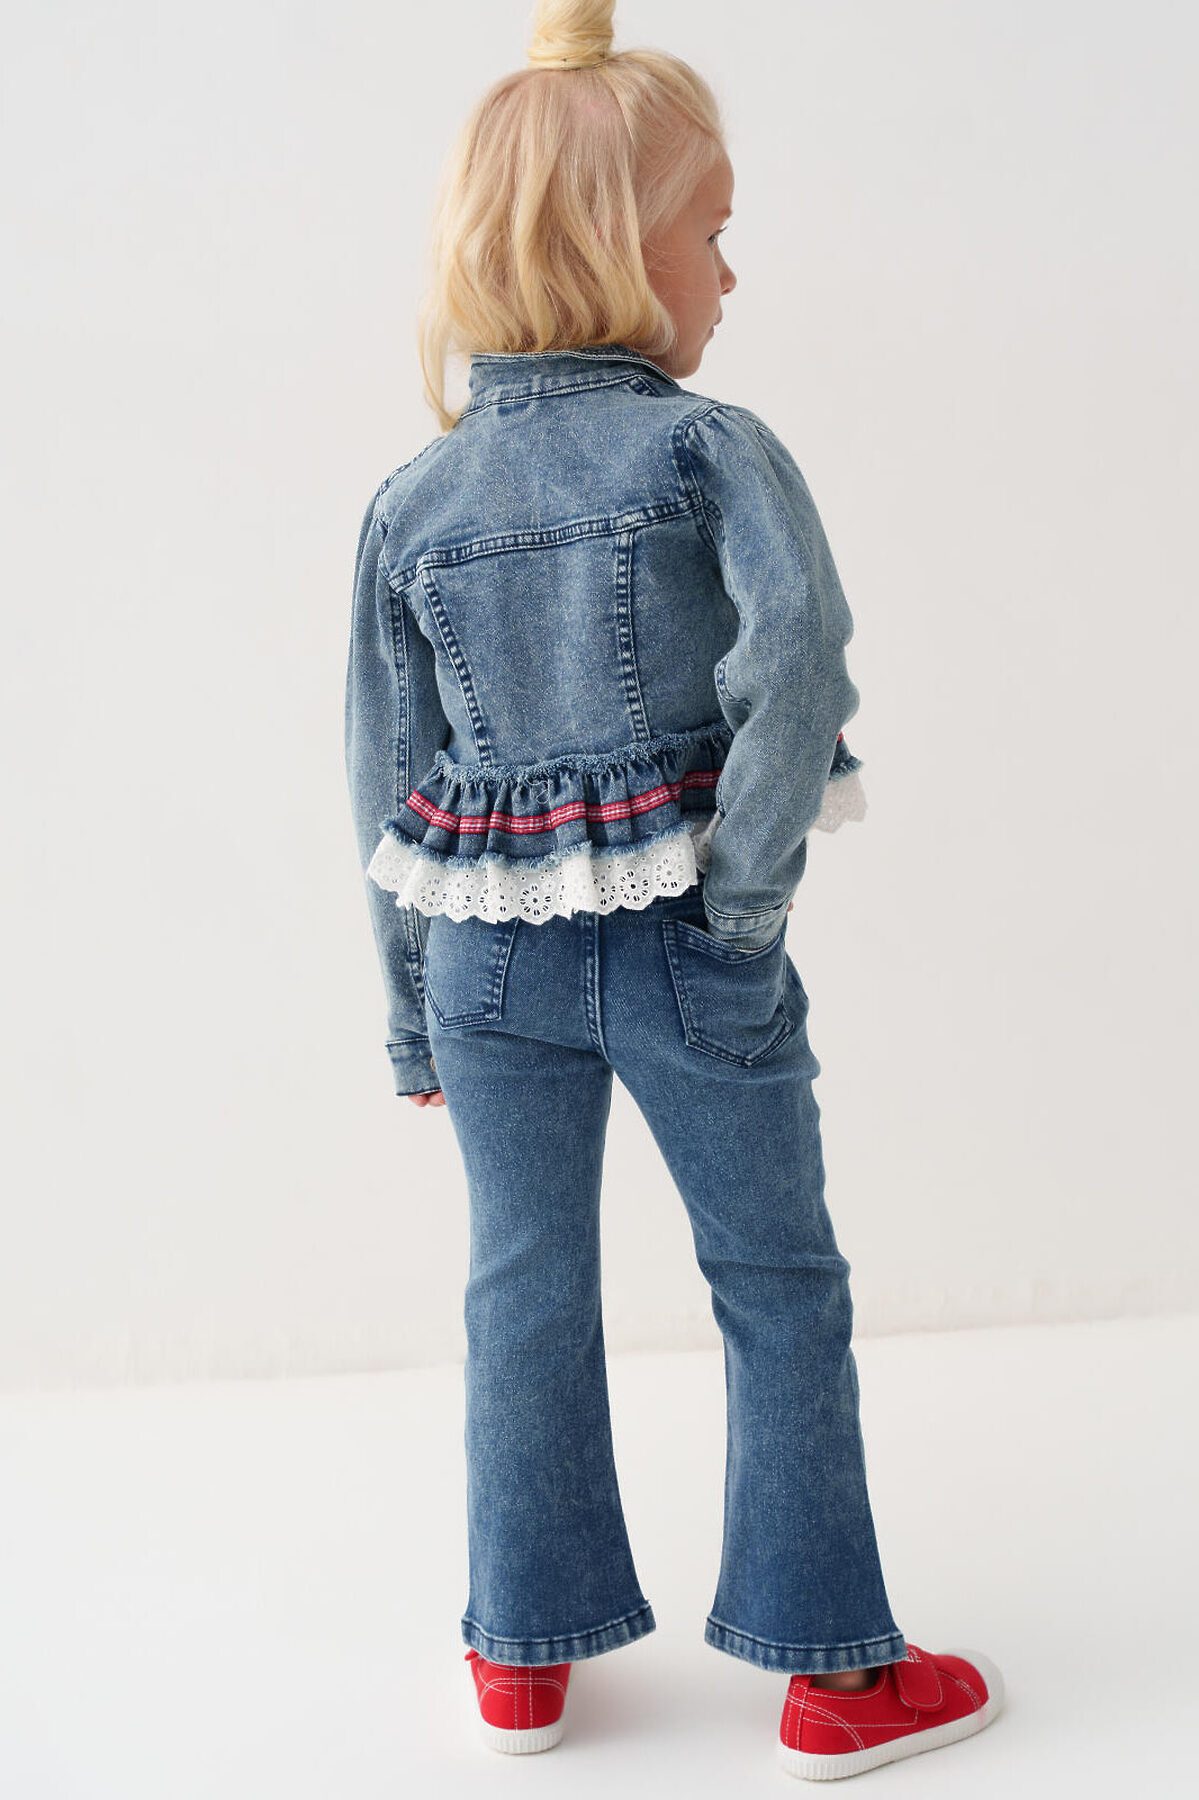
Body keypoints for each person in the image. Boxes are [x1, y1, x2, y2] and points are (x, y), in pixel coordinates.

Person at [343, 0, 1004, 1779]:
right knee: (775, 1282)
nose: (730, 271)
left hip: (484, 967)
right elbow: (798, 667)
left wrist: (407, 1008)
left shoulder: (413, 498)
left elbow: (385, 776)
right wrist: (745, 903)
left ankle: (520, 1654)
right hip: (686, 949)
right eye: (714, 231)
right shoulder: (712, 451)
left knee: (521, 1291)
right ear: (626, 246)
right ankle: (836, 1675)